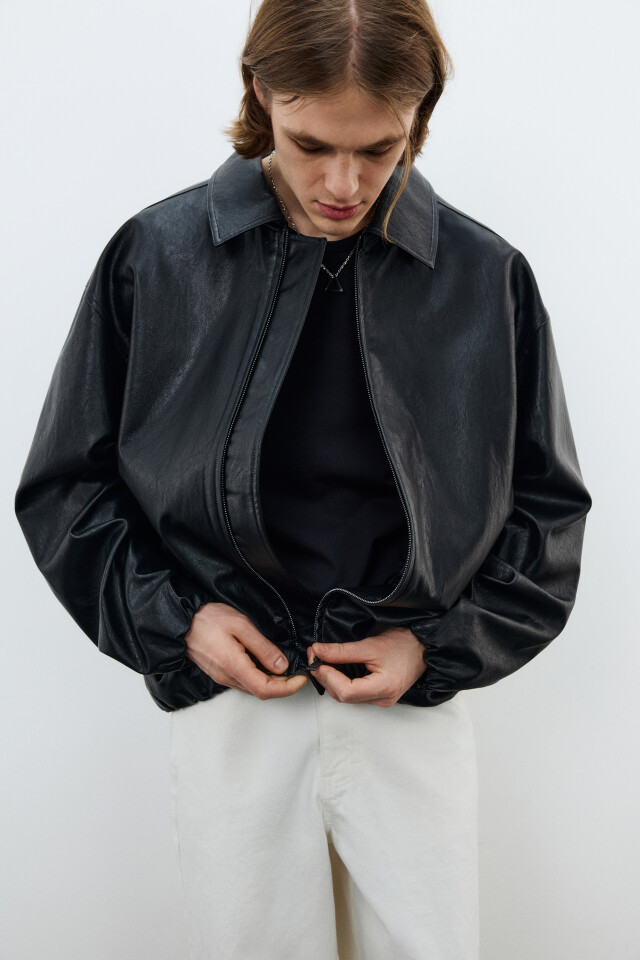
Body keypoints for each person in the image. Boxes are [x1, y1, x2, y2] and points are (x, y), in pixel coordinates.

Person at [14, 1, 592, 958]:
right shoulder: (157, 257)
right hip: (236, 704)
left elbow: (549, 513)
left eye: (379, 150)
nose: (343, 183)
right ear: (259, 95)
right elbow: (65, 487)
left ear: (420, 114)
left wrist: (434, 650)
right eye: (311, 144)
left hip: (410, 705)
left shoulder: (485, 277)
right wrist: (181, 623)